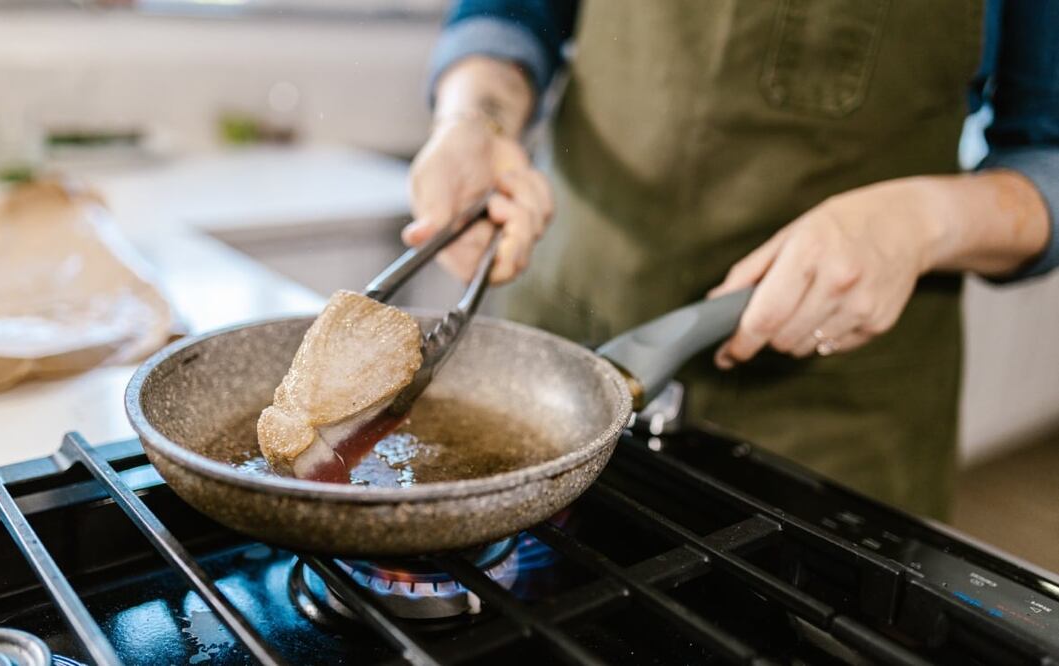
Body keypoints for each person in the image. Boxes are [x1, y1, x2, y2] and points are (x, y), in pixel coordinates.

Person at [405, 0, 1059, 518]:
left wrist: (923, 221)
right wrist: (473, 118)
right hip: (559, 357)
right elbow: (509, 13)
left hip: (832, 422)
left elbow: (1046, 156)